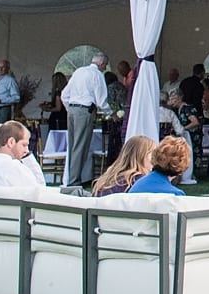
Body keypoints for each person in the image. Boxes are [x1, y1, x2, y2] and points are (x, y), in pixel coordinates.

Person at [61, 51, 111, 184]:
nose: (105, 68)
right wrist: (110, 112)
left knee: (72, 145)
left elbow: (64, 94)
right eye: (105, 65)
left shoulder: (79, 71)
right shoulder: (97, 74)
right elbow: (101, 100)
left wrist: (69, 108)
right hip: (84, 110)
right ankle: (74, 181)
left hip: (71, 109)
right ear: (101, 64)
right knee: (80, 146)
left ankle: (71, 178)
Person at [0, 121, 46, 189]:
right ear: (11, 142)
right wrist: (27, 158)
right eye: (24, 145)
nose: (26, 150)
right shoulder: (15, 168)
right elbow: (40, 190)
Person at [91, 135, 156, 196]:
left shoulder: (108, 179)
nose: (157, 157)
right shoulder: (140, 181)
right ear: (141, 155)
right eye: (153, 153)